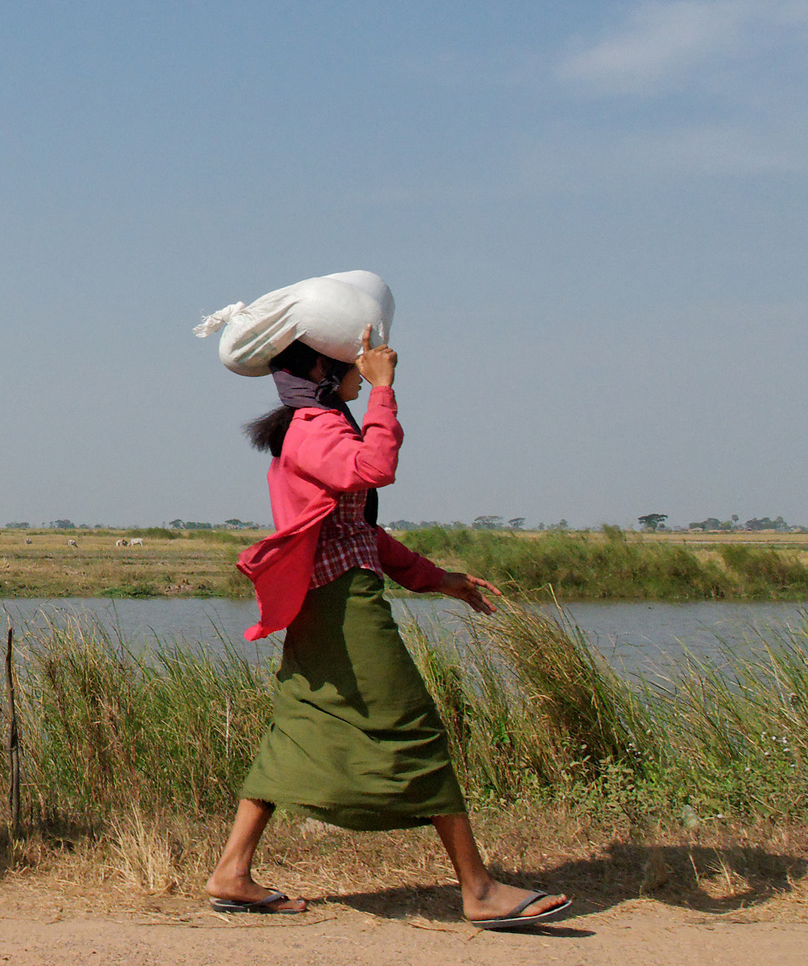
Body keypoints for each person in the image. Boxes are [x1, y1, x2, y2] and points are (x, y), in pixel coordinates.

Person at [203, 332, 572, 931]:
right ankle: (477, 888)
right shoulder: (314, 427)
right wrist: (383, 390)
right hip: (342, 604)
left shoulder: (316, 424)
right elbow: (376, 468)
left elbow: (360, 533)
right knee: (411, 724)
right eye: (349, 361)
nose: (362, 366)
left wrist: (438, 579)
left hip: (327, 600)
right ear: (324, 369)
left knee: (296, 728)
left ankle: (231, 872)